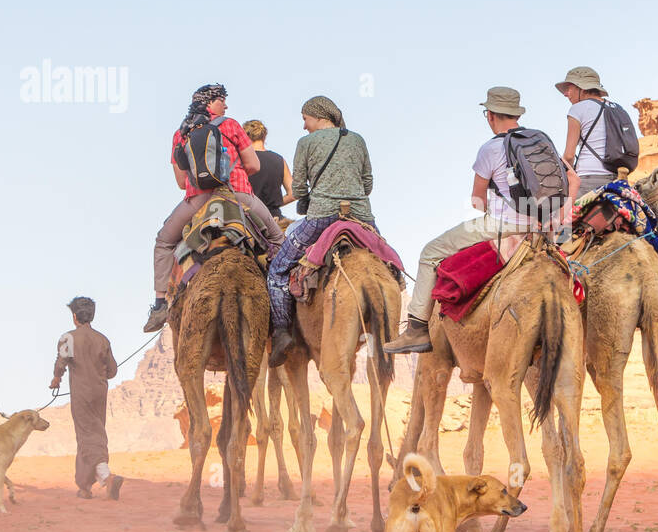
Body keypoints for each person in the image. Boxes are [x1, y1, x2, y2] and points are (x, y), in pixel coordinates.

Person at [384, 86, 577, 355]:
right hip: (543, 227)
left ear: (490, 116)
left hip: (501, 226)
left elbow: (477, 200)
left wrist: (494, 207)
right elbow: (569, 182)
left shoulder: (490, 148)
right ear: (516, 115)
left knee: (429, 252)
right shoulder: (540, 143)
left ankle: (416, 329)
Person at [144, 84, 285, 332]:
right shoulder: (231, 125)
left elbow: (180, 182)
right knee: (278, 238)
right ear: (210, 104)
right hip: (237, 194)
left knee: (164, 242)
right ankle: (283, 307)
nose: (226, 105)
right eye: (222, 100)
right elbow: (254, 166)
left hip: (198, 199)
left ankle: (159, 305)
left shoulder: (181, 133)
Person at [266, 95, 376, 365]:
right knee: (389, 264)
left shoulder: (305, 143)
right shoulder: (357, 139)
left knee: (277, 270)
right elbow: (368, 183)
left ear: (317, 115)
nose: (304, 126)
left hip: (320, 219)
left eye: (305, 119)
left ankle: (281, 333)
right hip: (362, 217)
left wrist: (310, 197)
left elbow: (299, 190)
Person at [51, 297, 123, 500]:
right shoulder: (103, 339)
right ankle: (84, 487)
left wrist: (56, 379)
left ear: (74, 316)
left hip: (81, 394)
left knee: (86, 436)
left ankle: (107, 477)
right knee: (94, 432)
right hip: (100, 393)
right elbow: (113, 371)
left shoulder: (69, 337)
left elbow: (61, 362)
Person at [559, 65, 629, 194]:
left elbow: (569, 156)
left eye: (569, 88)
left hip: (588, 180)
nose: (565, 94)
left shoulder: (577, 109)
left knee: (559, 213)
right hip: (618, 180)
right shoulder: (617, 108)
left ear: (581, 87)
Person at [242, 119, 295, 221]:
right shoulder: (279, 160)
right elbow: (293, 194)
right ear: (264, 136)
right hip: (275, 218)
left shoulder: (243, 160)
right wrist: (275, 204)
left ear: (245, 138)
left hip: (249, 218)